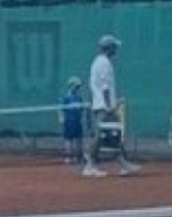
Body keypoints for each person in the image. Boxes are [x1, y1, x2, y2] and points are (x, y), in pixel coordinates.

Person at [84, 34, 137, 177]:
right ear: (110, 48)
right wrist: (108, 105)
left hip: (103, 105)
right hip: (104, 106)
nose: (116, 49)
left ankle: (123, 164)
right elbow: (105, 86)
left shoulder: (99, 62)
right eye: (115, 47)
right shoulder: (104, 63)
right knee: (99, 136)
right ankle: (90, 166)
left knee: (114, 136)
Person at [58, 76, 86, 164]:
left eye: (78, 87)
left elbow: (82, 109)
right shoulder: (65, 97)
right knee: (68, 140)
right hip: (69, 121)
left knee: (79, 140)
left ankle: (78, 157)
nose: (77, 88)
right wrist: (61, 119)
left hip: (77, 121)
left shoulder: (79, 97)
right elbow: (60, 108)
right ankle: (68, 157)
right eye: (76, 86)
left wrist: (82, 119)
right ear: (71, 86)